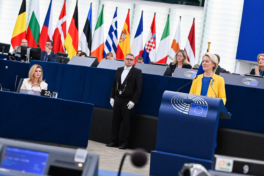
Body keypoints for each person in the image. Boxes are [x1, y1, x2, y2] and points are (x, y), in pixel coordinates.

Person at [107, 53, 142, 149]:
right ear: (124, 60)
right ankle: (114, 141)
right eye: (127, 59)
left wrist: (133, 101)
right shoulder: (119, 70)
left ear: (134, 61)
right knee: (115, 121)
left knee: (127, 123)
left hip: (128, 100)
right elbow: (114, 85)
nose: (129, 61)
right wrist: (112, 97)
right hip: (117, 98)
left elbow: (138, 89)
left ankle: (124, 143)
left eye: (131, 59)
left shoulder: (137, 72)